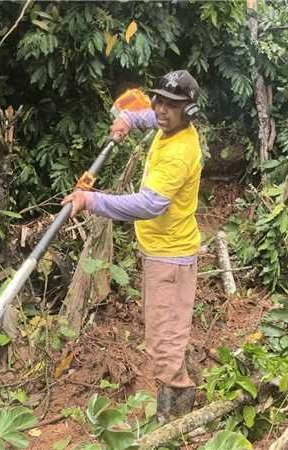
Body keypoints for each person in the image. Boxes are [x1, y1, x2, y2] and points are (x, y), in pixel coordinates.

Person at [62, 70, 202, 422]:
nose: (161, 110)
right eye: (159, 100)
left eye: (173, 105)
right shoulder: (166, 125)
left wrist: (93, 202)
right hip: (160, 252)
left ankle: (175, 419)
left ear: (190, 111)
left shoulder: (179, 151)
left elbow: (148, 204)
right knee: (163, 331)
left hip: (171, 259)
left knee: (161, 341)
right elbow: (148, 116)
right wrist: (126, 118)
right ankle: (178, 388)